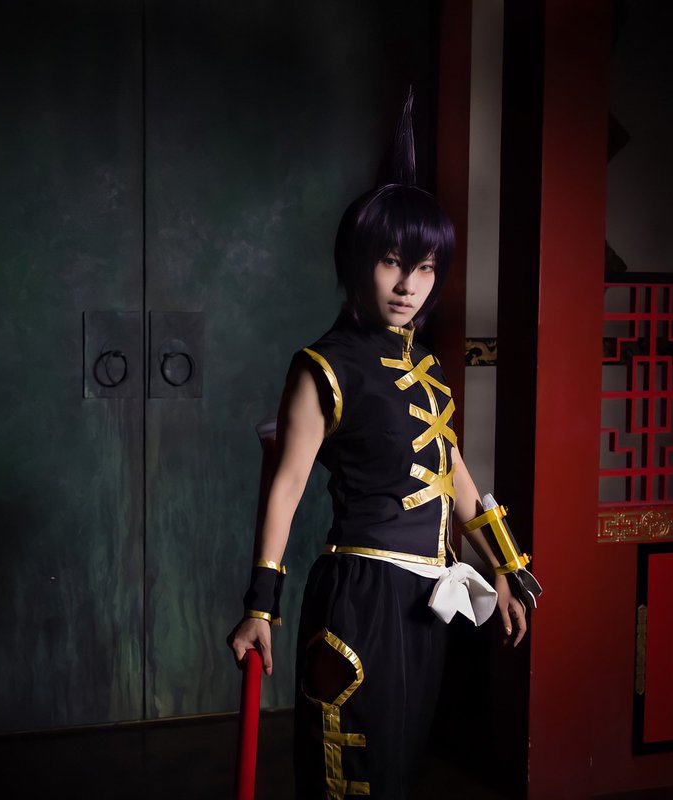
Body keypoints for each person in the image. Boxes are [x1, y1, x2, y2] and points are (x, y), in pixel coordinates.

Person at [226, 93, 537, 799]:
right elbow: (287, 484)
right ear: (357, 260)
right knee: (351, 772)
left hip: (427, 600)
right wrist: (260, 605)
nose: (408, 285)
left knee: (397, 773)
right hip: (361, 595)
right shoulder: (322, 365)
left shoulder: (425, 364)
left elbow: (452, 469)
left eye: (425, 268)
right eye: (393, 262)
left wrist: (508, 565)